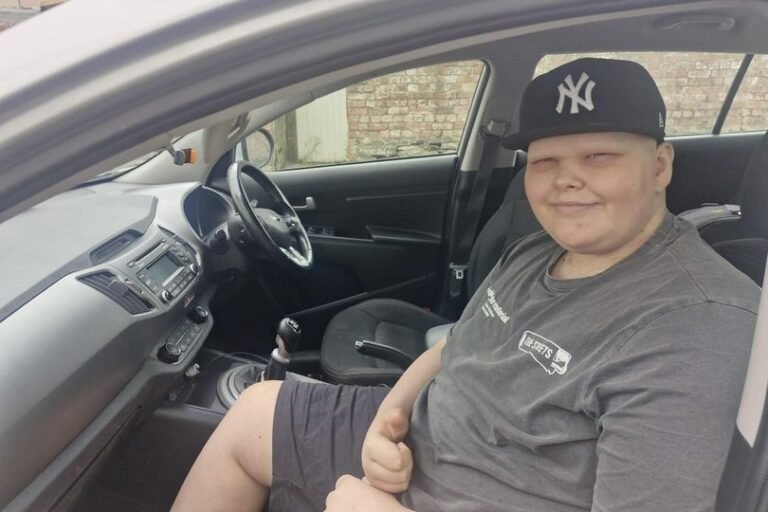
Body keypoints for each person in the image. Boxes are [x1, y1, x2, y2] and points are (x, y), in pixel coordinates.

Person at [171, 58, 760, 512]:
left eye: (598, 156)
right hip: (424, 442)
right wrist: (390, 417)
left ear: (661, 165)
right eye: (546, 162)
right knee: (254, 410)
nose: (566, 182)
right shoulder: (538, 252)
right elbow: (455, 348)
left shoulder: (693, 329)